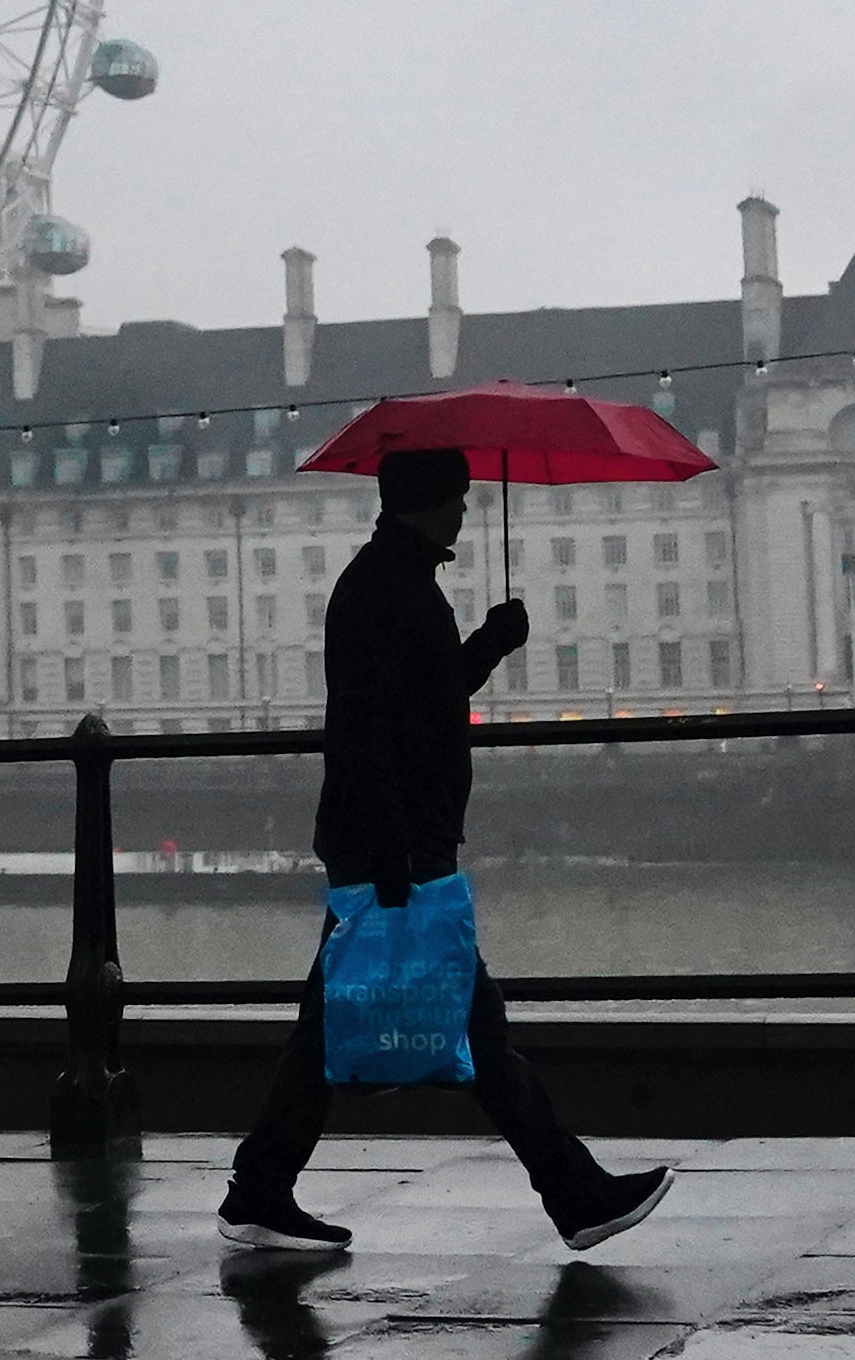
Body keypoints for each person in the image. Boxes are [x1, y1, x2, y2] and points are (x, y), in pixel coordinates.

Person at [217, 445, 673, 1254]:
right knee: (476, 1030)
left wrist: (491, 643)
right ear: (426, 501)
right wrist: (396, 860)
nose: (466, 508)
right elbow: (366, 731)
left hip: (388, 837)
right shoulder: (384, 590)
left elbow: (419, 703)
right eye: (457, 496)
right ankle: (575, 1195)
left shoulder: (393, 583)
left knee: (331, 1022)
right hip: (394, 842)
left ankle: (259, 1189)